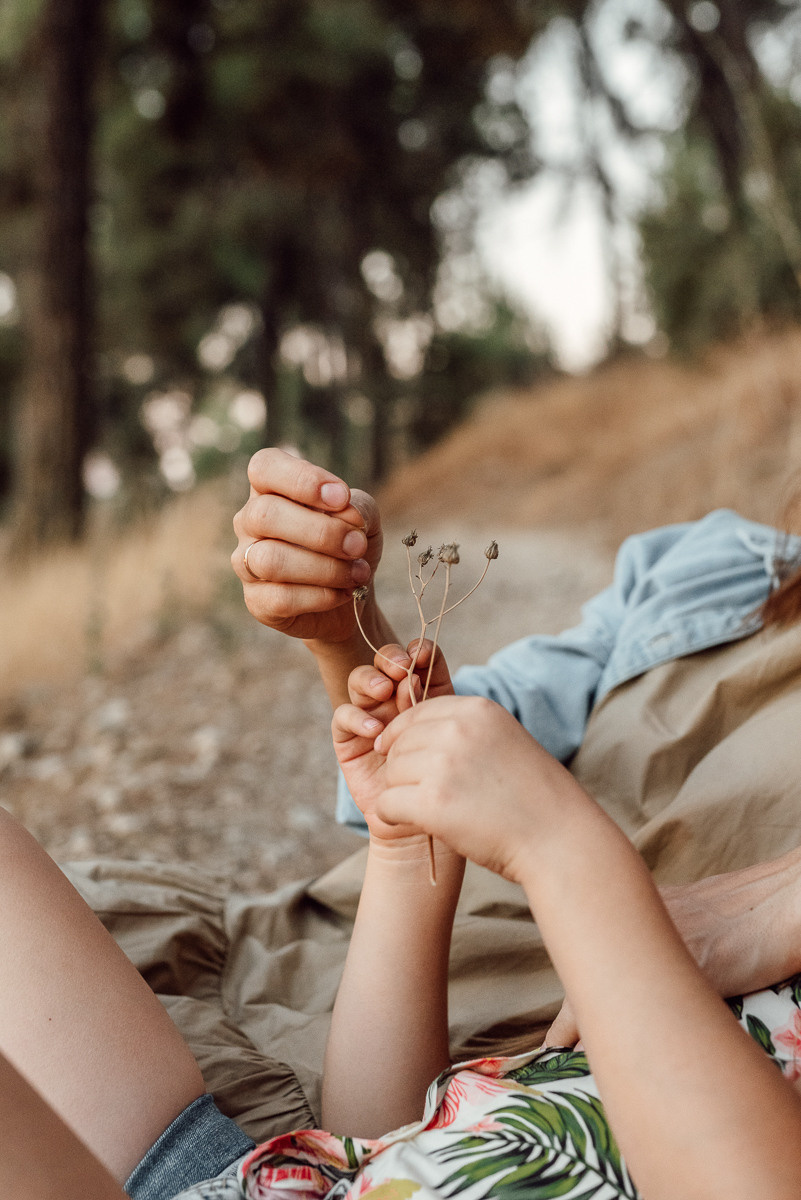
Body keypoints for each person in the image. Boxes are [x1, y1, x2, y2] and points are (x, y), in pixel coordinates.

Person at [231, 446, 801, 1027]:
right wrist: (347, 627)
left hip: (529, 1038)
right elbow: (464, 739)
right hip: (352, 956)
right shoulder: (720, 565)